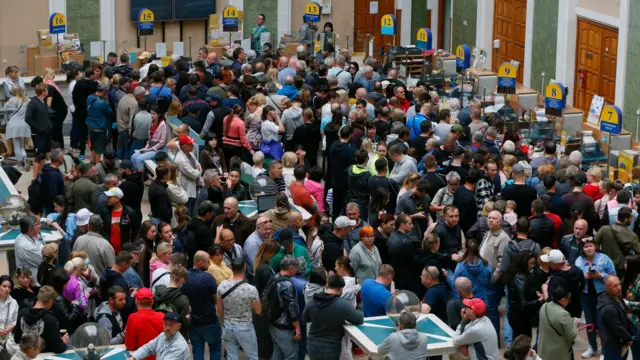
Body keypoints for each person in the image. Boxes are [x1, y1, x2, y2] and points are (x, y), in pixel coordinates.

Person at [303, 274, 364, 360]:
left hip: (312, 345)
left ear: (327, 285)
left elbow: (305, 318)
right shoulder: (342, 305)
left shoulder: (312, 302)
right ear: (342, 289)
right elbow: (359, 319)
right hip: (330, 348)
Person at [574, 237, 616, 358]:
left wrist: (601, 275)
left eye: (591, 245)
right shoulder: (579, 260)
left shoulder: (604, 258)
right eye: (586, 246)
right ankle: (592, 347)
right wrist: (583, 276)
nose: (589, 248)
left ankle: (604, 350)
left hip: (602, 294)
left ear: (595, 246)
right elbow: (574, 276)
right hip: (585, 295)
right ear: (582, 249)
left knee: (602, 322)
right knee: (589, 322)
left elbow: (614, 275)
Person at [216, 257, 261, 360]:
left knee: (231, 357)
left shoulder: (222, 286)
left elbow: (219, 308)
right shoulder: (251, 289)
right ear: (245, 267)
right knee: (252, 357)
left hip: (228, 326)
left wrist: (223, 322)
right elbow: (258, 310)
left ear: (231, 268)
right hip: (245, 327)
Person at [183, 251, 221, 360]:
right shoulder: (208, 278)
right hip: (210, 320)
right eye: (208, 262)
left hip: (193, 322)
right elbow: (215, 299)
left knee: (197, 350)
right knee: (215, 349)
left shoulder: (185, 277)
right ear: (200, 263)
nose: (209, 264)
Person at [264, 256, 301, 360]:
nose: (297, 270)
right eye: (296, 268)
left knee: (278, 353)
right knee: (292, 355)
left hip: (273, 323)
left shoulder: (274, 277)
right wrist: (297, 327)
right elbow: (291, 308)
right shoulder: (287, 284)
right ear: (290, 269)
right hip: (283, 327)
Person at [12, 286, 68, 354]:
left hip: (25, 354)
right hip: (44, 355)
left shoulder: (22, 313)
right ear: (50, 301)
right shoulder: (50, 319)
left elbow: (17, 339)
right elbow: (58, 349)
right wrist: (63, 342)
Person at [503, 250, 543, 340]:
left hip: (518, 316)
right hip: (520, 318)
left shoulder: (519, 275)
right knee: (522, 343)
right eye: (531, 263)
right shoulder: (520, 278)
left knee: (518, 341)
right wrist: (539, 300)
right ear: (524, 263)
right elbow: (523, 304)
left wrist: (534, 293)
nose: (533, 266)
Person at [594, 206, 640, 277]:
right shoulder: (632, 236)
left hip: (603, 266)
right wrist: (627, 259)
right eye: (631, 218)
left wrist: (600, 256)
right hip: (619, 269)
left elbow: (593, 244)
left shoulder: (604, 229)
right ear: (625, 220)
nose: (632, 219)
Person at [598, 275, 636, 359]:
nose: (619, 288)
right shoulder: (608, 308)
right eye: (615, 286)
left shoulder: (617, 297)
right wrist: (629, 338)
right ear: (607, 288)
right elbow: (617, 328)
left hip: (621, 342)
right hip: (613, 345)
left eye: (619, 284)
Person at [388, 214, 425, 297]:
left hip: (397, 275)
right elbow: (415, 261)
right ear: (402, 225)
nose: (412, 226)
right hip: (407, 279)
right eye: (410, 223)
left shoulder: (392, 235)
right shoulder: (405, 243)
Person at [543, 250, 584, 319]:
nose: (549, 264)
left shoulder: (556, 280)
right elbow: (581, 287)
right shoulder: (578, 271)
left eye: (550, 262)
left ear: (556, 263)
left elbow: (550, 303)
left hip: (560, 316)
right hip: (576, 312)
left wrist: (544, 289)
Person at [124, 287, 164, 358]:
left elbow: (130, 346)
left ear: (136, 301)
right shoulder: (162, 316)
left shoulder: (133, 318)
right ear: (152, 302)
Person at [153, 265, 190, 339]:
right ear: (182, 279)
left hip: (159, 334)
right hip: (176, 336)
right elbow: (186, 323)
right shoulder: (182, 299)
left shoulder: (157, 294)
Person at [102, 187, 139, 254]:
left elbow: (135, 231)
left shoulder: (129, 213)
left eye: (110, 197)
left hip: (124, 251)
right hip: (109, 250)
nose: (107, 199)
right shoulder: (106, 212)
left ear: (117, 198)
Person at [454, 239, 492, 304]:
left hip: (466, 301)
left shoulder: (460, 265)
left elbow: (455, 283)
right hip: (481, 299)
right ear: (478, 249)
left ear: (466, 249)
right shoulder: (486, 264)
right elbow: (489, 280)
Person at [24, 83, 52, 171]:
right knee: (39, 155)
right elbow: (27, 118)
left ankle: (40, 174)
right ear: (42, 91)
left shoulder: (43, 101)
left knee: (43, 154)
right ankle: (35, 178)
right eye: (46, 89)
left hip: (46, 133)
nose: (48, 91)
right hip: (38, 134)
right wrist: (38, 128)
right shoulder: (33, 103)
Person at [131, 106, 168, 171]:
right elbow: (149, 139)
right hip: (150, 146)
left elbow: (162, 142)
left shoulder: (163, 125)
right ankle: (137, 172)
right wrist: (146, 147)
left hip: (157, 149)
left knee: (139, 159)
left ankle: (141, 176)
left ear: (159, 114)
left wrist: (148, 149)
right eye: (151, 113)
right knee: (133, 157)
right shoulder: (152, 122)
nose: (151, 115)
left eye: (154, 114)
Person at [3, 86, 31, 168]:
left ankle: (19, 164)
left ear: (13, 92)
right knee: (22, 145)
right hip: (24, 124)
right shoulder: (27, 100)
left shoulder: (12, 100)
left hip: (14, 124)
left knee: (16, 145)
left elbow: (4, 109)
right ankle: (25, 160)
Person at [15, 217, 44, 286]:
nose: (40, 225)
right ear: (30, 229)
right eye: (37, 224)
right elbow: (42, 262)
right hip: (32, 280)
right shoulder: (25, 245)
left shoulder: (31, 235)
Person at [0, 275, 18, 359]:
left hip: (8, 339)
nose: (7, 289)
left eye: (9, 287)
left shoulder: (14, 302)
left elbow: (16, 320)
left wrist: (11, 327)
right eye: (4, 286)